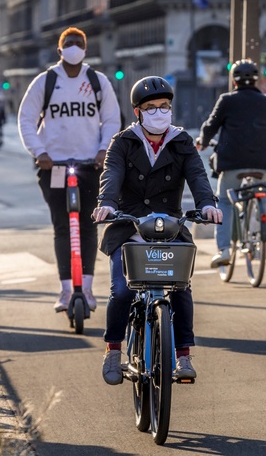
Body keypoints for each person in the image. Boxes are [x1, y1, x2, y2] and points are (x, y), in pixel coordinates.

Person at [92, 76, 221, 385]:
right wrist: (107, 203)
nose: (159, 112)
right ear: (138, 112)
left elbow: (198, 175)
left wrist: (207, 204)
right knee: (122, 292)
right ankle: (113, 351)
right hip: (127, 227)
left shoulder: (181, 141)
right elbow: (111, 173)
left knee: (181, 290)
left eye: (164, 106)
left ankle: (183, 356)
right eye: (151, 108)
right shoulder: (123, 142)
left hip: (169, 228)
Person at [18, 27, 121, 312]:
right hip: (54, 167)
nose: (74, 47)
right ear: (60, 49)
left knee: (88, 226)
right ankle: (66, 290)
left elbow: (112, 119)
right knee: (63, 227)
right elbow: (26, 119)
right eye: (69, 43)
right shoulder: (46, 81)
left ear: (86, 49)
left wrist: (104, 150)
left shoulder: (97, 81)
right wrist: (40, 153)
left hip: (90, 166)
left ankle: (86, 289)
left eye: (79, 43)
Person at [195, 59, 266, 268]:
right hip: (264, 161)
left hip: (232, 162)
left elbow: (210, 126)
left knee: (225, 201)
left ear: (234, 81)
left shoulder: (226, 100)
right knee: (262, 188)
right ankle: (264, 220)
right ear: (257, 80)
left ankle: (224, 249)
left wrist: (203, 141)